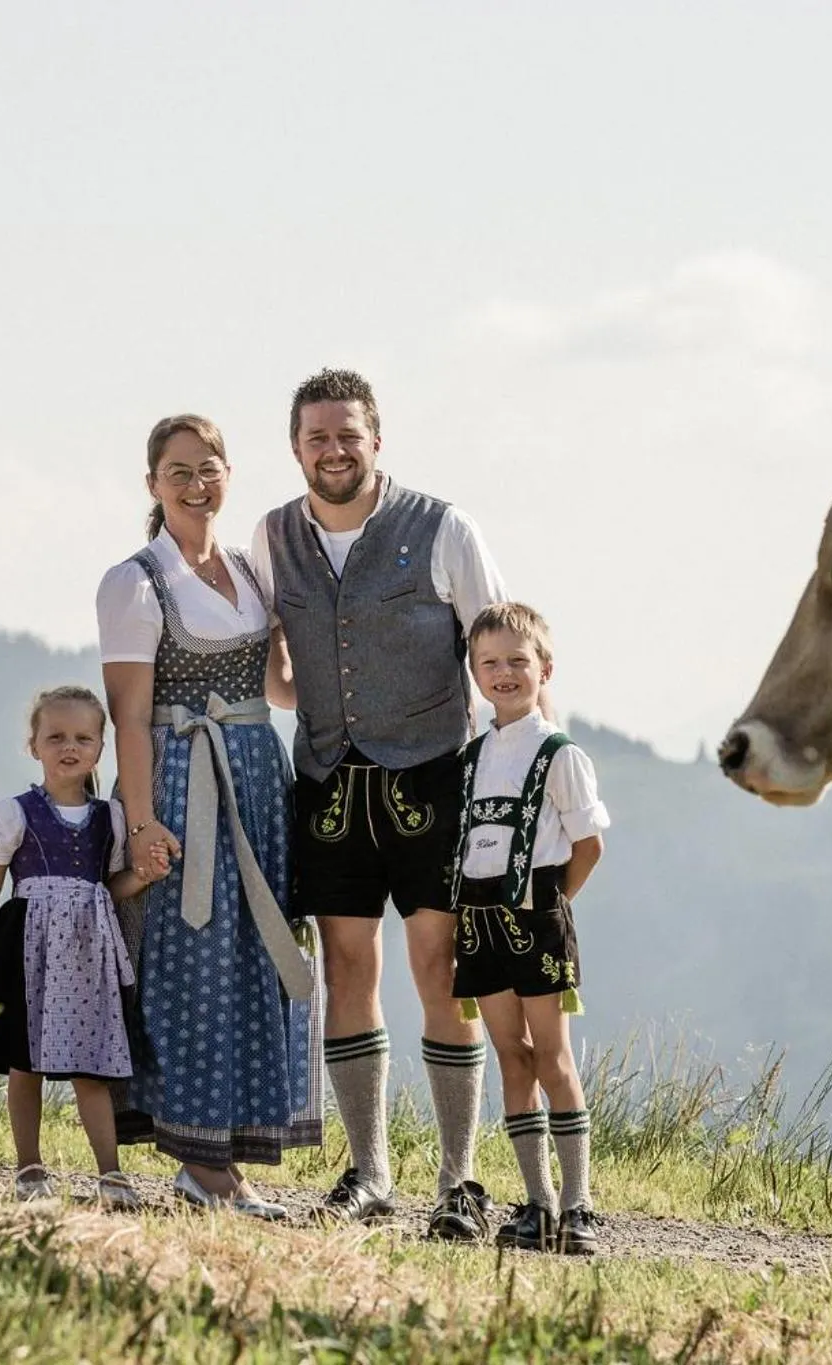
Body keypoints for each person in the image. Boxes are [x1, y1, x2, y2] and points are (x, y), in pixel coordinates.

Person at [250, 368, 519, 1240]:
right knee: (345, 969)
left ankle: (460, 1180)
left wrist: (525, 771)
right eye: (317, 437)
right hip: (328, 781)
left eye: (348, 435)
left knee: (439, 968)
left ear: (377, 438)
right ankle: (368, 1172)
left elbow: (501, 647)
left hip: (433, 777)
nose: (334, 450)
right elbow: (272, 664)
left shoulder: (444, 527)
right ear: (296, 447)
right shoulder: (273, 536)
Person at [97, 413, 324, 1219]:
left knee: (255, 959)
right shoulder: (136, 582)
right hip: (185, 783)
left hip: (257, 778)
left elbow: (283, 687)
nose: (198, 483)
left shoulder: (248, 569)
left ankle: (224, 1159)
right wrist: (143, 819)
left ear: (230, 472)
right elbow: (128, 715)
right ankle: (201, 1164)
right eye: (179, 470)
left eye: (210, 466)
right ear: (153, 484)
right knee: (193, 964)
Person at [0, 685, 161, 1209]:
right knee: (27, 1062)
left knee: (91, 1063)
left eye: (83, 738)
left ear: (100, 747)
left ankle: (110, 1174)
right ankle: (29, 1169)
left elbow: (107, 888)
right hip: (26, 942)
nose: (70, 747)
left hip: (88, 951)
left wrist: (142, 877)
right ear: (34, 745)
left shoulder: (110, 818)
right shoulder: (15, 813)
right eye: (56, 737)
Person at [449, 603, 609, 1254]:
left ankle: (579, 1204)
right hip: (478, 921)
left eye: (518, 660)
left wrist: (551, 905)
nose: (505, 673)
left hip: (536, 913)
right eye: (490, 663)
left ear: (545, 668)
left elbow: (588, 843)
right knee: (510, 1055)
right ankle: (536, 1202)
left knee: (552, 1056)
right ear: (475, 674)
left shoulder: (559, 753)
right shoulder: (473, 756)